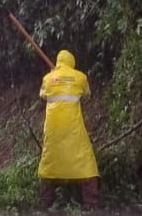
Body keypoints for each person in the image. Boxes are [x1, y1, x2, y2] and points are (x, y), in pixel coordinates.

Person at [37, 49, 99, 209]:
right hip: (73, 130)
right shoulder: (80, 77)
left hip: (53, 130)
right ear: (72, 62)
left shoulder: (47, 78)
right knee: (87, 165)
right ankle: (90, 204)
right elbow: (87, 94)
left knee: (50, 164)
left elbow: (43, 95)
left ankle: (46, 203)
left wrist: (54, 76)